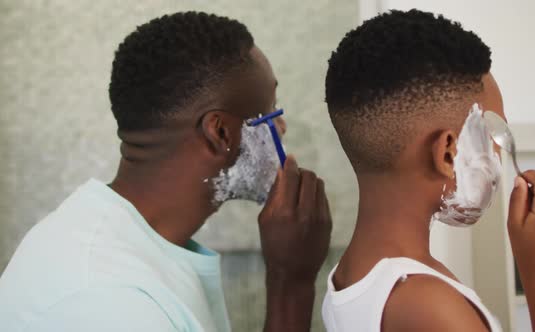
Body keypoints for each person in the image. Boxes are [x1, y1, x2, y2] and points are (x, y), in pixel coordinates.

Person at [0, 12, 332, 332]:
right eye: (270, 111)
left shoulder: (127, 248)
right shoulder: (108, 300)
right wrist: (291, 285)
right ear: (221, 134)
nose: (282, 126)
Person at [321, 9, 535, 331]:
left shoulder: (352, 274)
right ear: (447, 153)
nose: (498, 152)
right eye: (495, 137)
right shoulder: (430, 307)